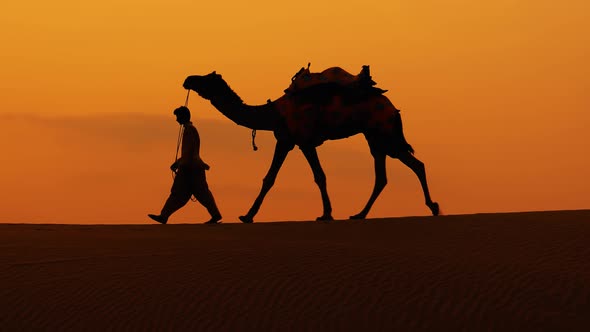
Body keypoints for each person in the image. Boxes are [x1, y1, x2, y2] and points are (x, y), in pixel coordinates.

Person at [148, 106, 222, 224]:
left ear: (182, 116)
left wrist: (179, 164)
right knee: (200, 194)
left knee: (181, 194)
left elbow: (189, 152)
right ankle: (164, 215)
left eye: (178, 116)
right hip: (192, 167)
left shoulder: (189, 130)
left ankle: (164, 216)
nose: (177, 119)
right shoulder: (190, 129)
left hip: (190, 169)